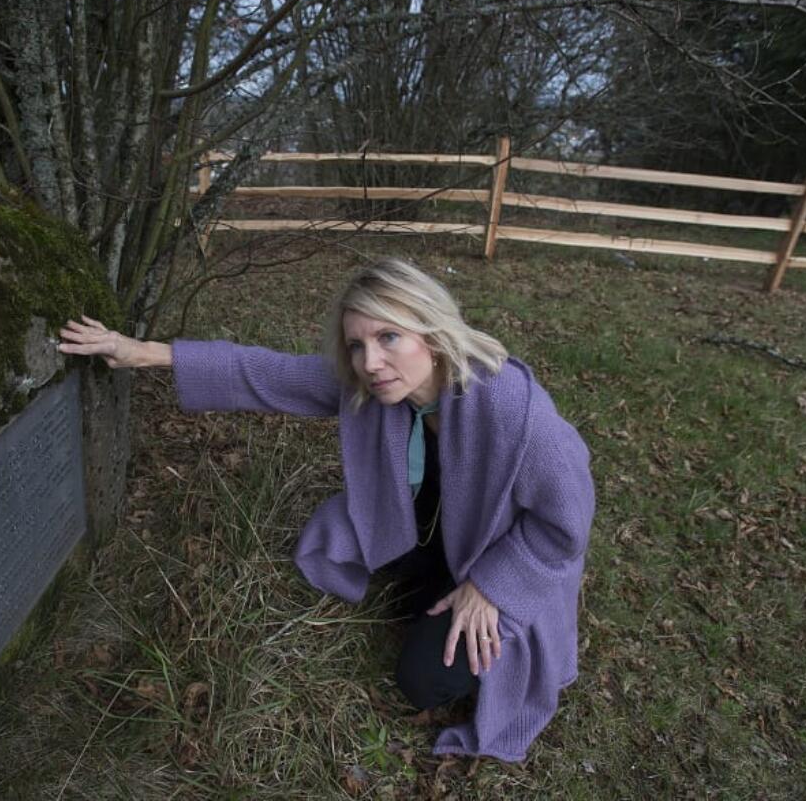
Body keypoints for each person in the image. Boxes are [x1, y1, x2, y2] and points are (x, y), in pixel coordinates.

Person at [58, 258, 594, 761]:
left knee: (422, 681)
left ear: (430, 334)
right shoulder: (376, 388)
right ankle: (435, 583)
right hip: (442, 541)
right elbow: (266, 374)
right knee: (371, 564)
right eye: (357, 345)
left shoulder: (508, 404)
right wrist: (144, 352)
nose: (371, 363)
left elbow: (567, 524)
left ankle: (479, 615)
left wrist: (491, 587)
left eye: (388, 337)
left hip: (505, 560)